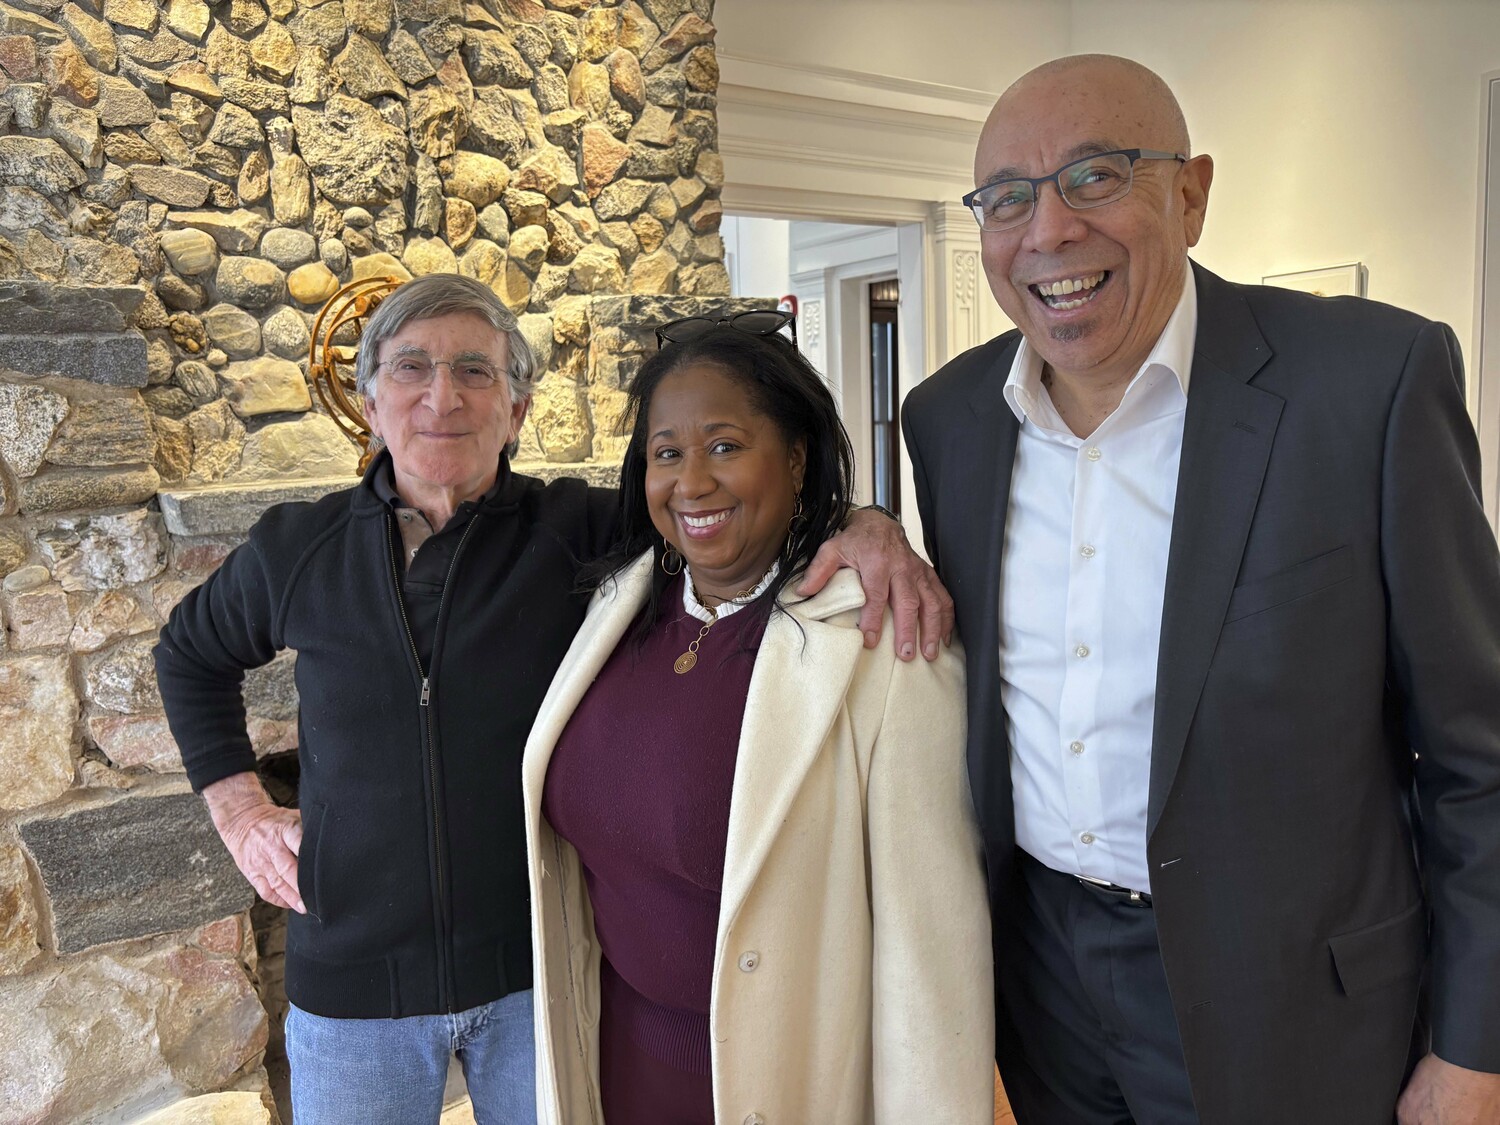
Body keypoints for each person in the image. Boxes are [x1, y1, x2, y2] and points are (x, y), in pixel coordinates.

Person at [153, 275, 950, 1125]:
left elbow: (726, 507)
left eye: (475, 371)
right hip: (352, 989)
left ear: (518, 407)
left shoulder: (579, 529)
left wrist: (869, 525)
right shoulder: (295, 548)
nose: (442, 395)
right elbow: (188, 654)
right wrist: (241, 811)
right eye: (412, 367)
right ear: (370, 399)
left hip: (536, 979)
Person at [902, 53, 1500, 1125]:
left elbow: (1481, 754)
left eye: (1095, 176)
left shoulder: (1366, 384)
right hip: (1043, 985)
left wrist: (1477, 1049)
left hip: (1296, 1002)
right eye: (1006, 198)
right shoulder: (948, 421)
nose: (1046, 232)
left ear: (1191, 194)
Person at [521, 319, 994, 1125]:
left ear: (797, 457)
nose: (692, 481)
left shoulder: (884, 646)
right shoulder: (616, 606)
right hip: (618, 1067)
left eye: (726, 445)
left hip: (782, 1087)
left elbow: (933, 967)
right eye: (666, 453)